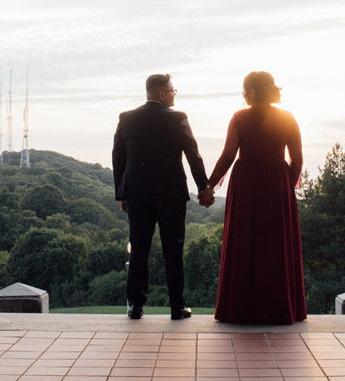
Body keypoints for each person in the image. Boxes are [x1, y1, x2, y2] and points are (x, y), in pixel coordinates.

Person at [207, 71, 307, 324]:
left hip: (247, 183)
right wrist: (288, 183)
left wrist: (209, 185)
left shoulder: (239, 117)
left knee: (244, 240)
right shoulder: (288, 118)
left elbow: (228, 155)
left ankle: (241, 309)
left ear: (250, 91)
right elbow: (297, 158)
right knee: (276, 243)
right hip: (277, 182)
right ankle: (279, 308)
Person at [113, 73, 215, 320]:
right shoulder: (178, 118)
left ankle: (135, 306)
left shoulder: (126, 119)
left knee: (139, 248)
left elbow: (119, 157)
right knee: (173, 248)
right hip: (171, 193)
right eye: (172, 90)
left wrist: (122, 194)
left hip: (137, 192)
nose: (173, 95)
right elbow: (193, 154)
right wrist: (203, 186)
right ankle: (177, 308)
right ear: (162, 94)